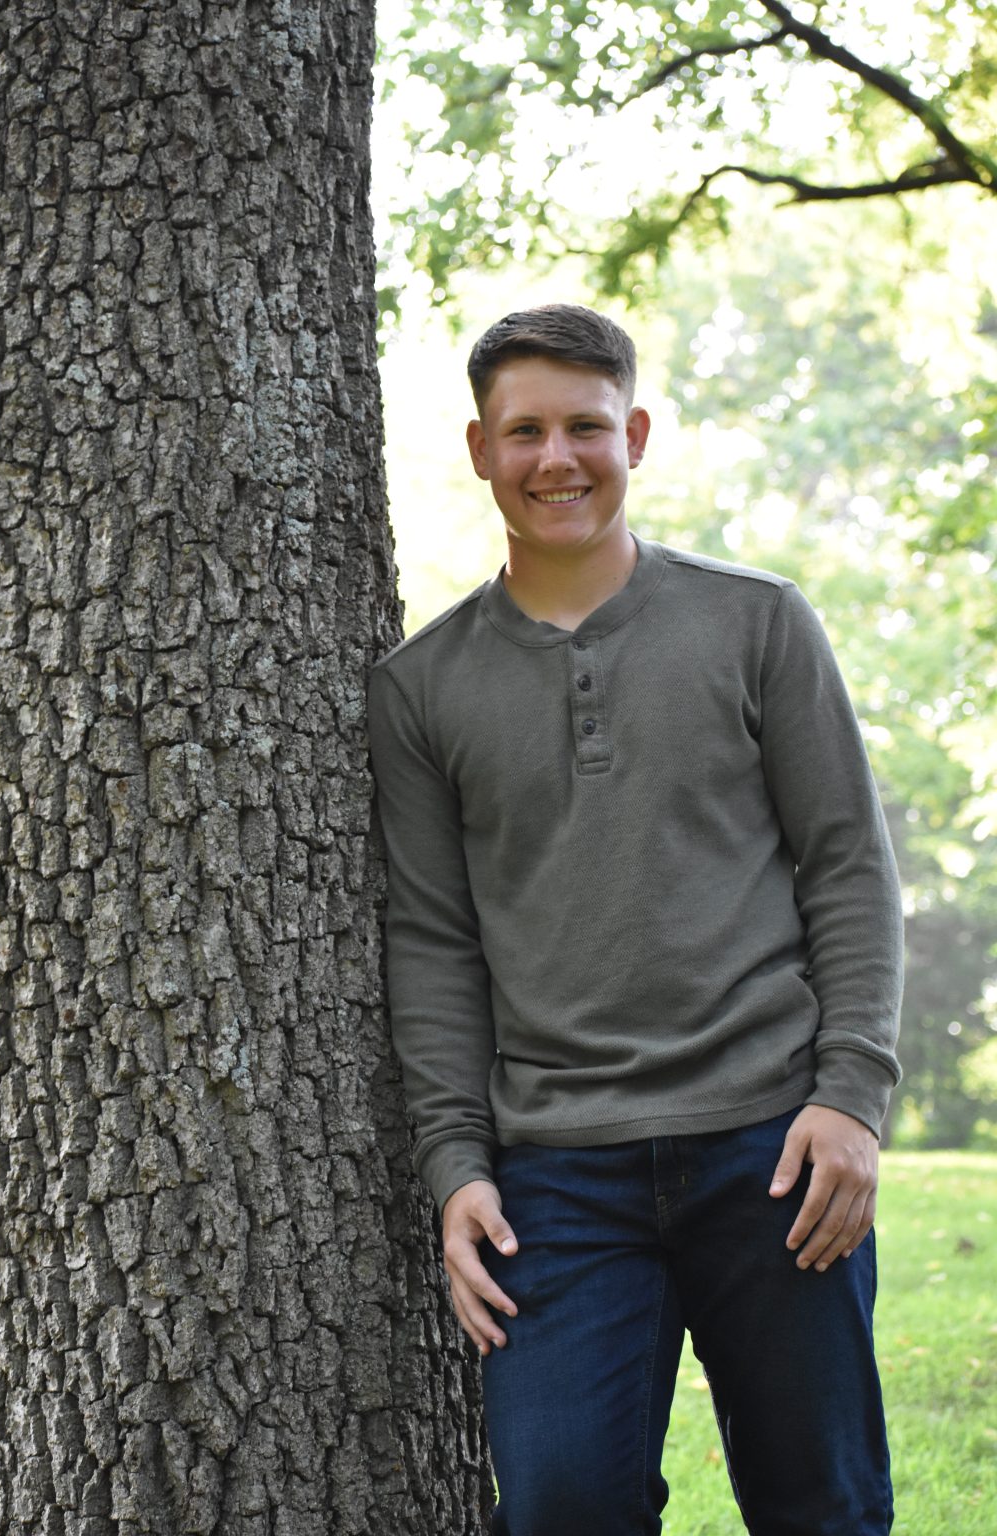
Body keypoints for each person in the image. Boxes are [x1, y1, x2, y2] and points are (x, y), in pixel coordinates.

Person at [367, 303, 903, 1535]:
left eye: (586, 427)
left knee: (822, 1506)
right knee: (560, 1505)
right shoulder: (421, 687)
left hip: (774, 1147)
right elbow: (434, 945)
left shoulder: (757, 622)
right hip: (555, 1175)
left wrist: (849, 1096)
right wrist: (456, 1167)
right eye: (524, 431)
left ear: (636, 435)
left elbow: (847, 868)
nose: (555, 458)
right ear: (479, 448)